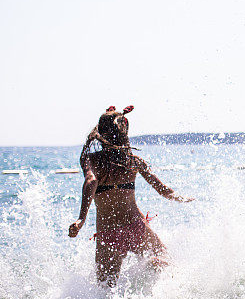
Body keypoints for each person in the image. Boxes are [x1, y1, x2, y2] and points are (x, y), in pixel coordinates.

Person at [68, 106, 193, 287]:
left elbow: (91, 181)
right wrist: (181, 198)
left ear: (100, 134)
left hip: (108, 234)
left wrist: (81, 219)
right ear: (123, 133)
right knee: (165, 263)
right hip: (136, 227)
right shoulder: (133, 161)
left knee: (105, 290)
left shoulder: (92, 160)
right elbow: (163, 190)